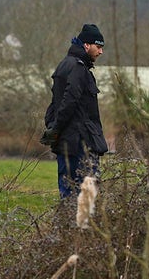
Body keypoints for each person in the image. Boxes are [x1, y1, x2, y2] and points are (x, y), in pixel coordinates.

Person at [41, 24, 109, 199]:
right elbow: (68, 103)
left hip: (65, 141)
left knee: (67, 190)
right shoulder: (78, 68)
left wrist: (53, 128)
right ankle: (80, 225)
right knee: (86, 192)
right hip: (80, 142)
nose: (100, 52)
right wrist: (55, 128)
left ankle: (66, 224)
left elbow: (54, 104)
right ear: (86, 45)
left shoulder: (63, 65)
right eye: (98, 47)